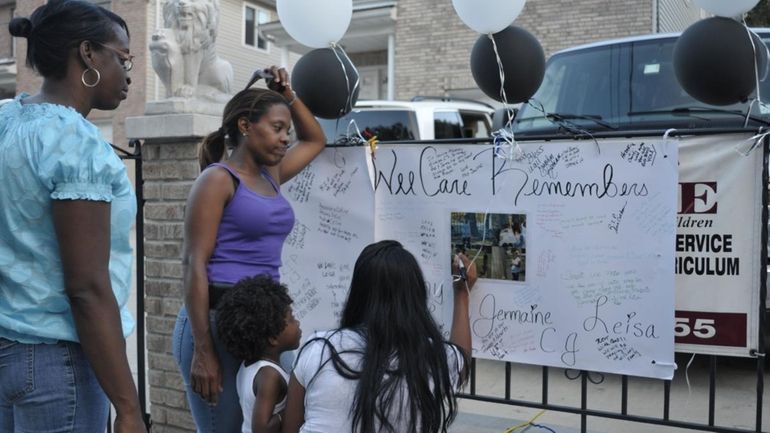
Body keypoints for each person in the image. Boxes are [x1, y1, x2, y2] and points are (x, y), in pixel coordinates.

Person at [0, 1, 146, 432]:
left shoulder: (7, 120)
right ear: (87, 54)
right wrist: (130, 409)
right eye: (123, 59)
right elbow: (86, 287)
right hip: (59, 365)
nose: (129, 76)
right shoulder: (76, 144)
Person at [173, 66, 326, 433]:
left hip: (268, 325)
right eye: (276, 128)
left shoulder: (270, 176)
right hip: (216, 323)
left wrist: (286, 93)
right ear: (245, 126)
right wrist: (204, 350)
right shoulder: (218, 179)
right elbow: (194, 264)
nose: (285, 138)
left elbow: (315, 140)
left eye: (286, 130)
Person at [282, 240, 477, 433]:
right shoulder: (433, 358)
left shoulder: (318, 350)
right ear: (415, 296)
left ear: (358, 293)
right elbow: (462, 359)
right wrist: (462, 293)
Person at [216, 275, 302, 433]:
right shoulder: (269, 375)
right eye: (291, 319)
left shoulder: (247, 367)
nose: (297, 323)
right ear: (273, 338)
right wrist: (292, 409)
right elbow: (261, 429)